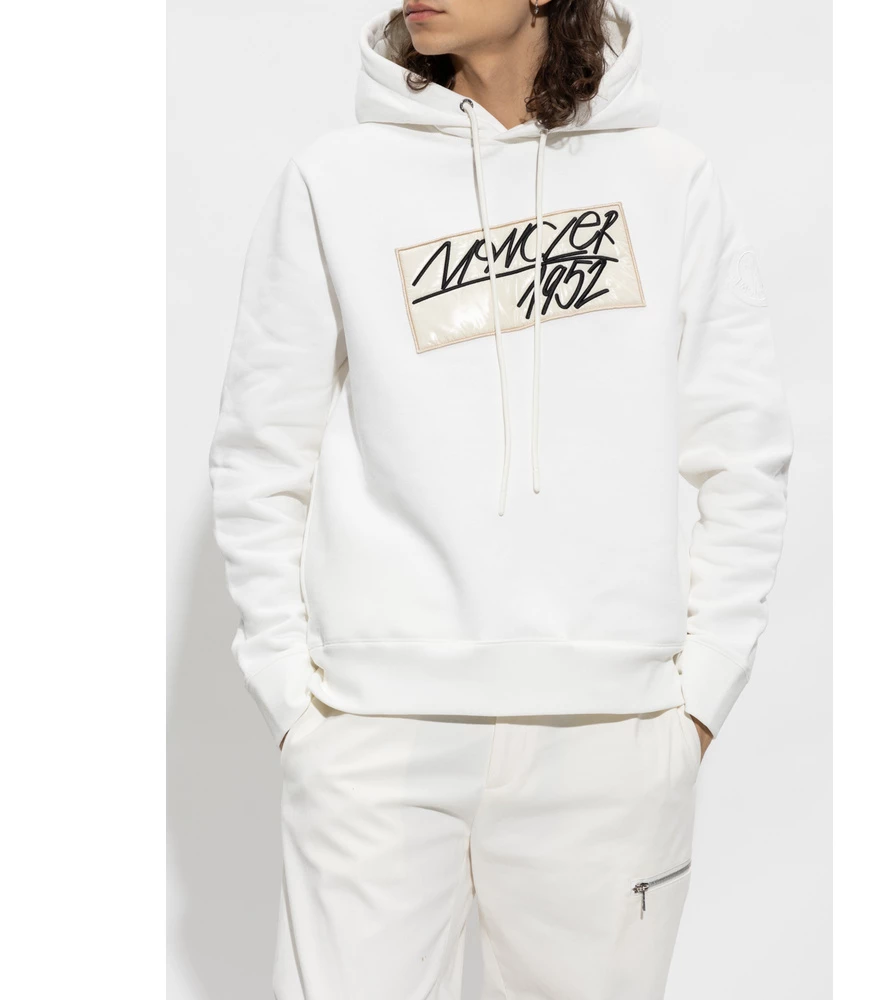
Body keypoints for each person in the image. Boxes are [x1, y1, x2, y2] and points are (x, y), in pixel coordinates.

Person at [207, 0, 794, 996]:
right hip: (374, 731)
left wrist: (698, 696)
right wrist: (294, 703)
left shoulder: (668, 180)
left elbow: (741, 450)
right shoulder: (334, 180)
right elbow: (261, 451)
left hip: (609, 736)